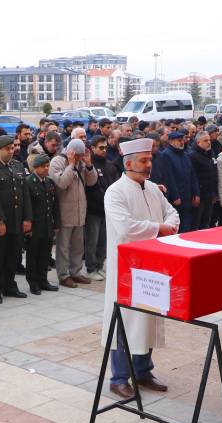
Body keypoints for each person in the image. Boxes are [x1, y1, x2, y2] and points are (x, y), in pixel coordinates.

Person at [102, 137, 179, 399]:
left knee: (149, 316)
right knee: (126, 320)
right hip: (127, 268)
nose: (149, 165)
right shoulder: (115, 192)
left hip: (153, 264)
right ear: (129, 163)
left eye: (150, 160)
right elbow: (126, 227)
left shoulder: (153, 189)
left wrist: (167, 225)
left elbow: (172, 214)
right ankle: (119, 378)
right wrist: (159, 228)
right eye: (144, 161)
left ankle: (143, 371)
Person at [0, 136, 31, 303]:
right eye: (8, 149)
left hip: (17, 219)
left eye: (12, 148)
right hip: (1, 221)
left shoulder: (17, 166)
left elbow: (24, 194)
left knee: (13, 255)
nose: (12, 151)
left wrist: (27, 218)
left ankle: (9, 285)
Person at [48, 139, 97, 288]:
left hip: (79, 212)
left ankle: (76, 272)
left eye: (82, 156)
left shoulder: (81, 163)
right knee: (62, 247)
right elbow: (62, 183)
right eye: (78, 156)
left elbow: (92, 182)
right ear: (71, 153)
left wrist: (88, 165)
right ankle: (64, 275)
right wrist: (70, 165)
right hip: (64, 212)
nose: (80, 158)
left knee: (78, 246)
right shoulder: (57, 161)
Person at [85, 136, 119, 281]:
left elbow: (116, 184)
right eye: (101, 148)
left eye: (105, 148)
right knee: (92, 240)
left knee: (103, 241)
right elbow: (93, 187)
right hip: (94, 209)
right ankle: (91, 268)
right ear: (93, 148)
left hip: (107, 211)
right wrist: (105, 200)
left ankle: (99, 265)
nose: (104, 150)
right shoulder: (90, 165)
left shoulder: (110, 165)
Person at [25, 154, 60, 295]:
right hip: (35, 225)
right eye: (44, 166)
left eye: (47, 166)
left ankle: (43, 279)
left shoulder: (49, 182)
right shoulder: (28, 182)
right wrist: (28, 226)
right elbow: (27, 206)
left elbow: (54, 204)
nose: (46, 169)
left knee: (45, 254)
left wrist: (56, 223)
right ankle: (33, 282)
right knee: (33, 255)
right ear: (36, 167)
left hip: (47, 225)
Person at [159, 131, 199, 231]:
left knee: (188, 225)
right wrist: (175, 196)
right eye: (179, 141)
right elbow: (169, 178)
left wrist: (196, 193)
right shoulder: (166, 155)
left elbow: (192, 175)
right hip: (177, 198)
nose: (182, 142)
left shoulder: (185, 155)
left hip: (187, 196)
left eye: (183, 140)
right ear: (171, 141)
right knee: (178, 226)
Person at [188, 131, 218, 229]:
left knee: (206, 221)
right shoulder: (193, 156)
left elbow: (214, 173)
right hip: (200, 194)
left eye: (209, 140)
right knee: (196, 222)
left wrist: (214, 192)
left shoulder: (210, 153)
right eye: (205, 140)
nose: (209, 142)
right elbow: (192, 177)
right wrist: (195, 194)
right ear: (198, 142)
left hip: (209, 193)